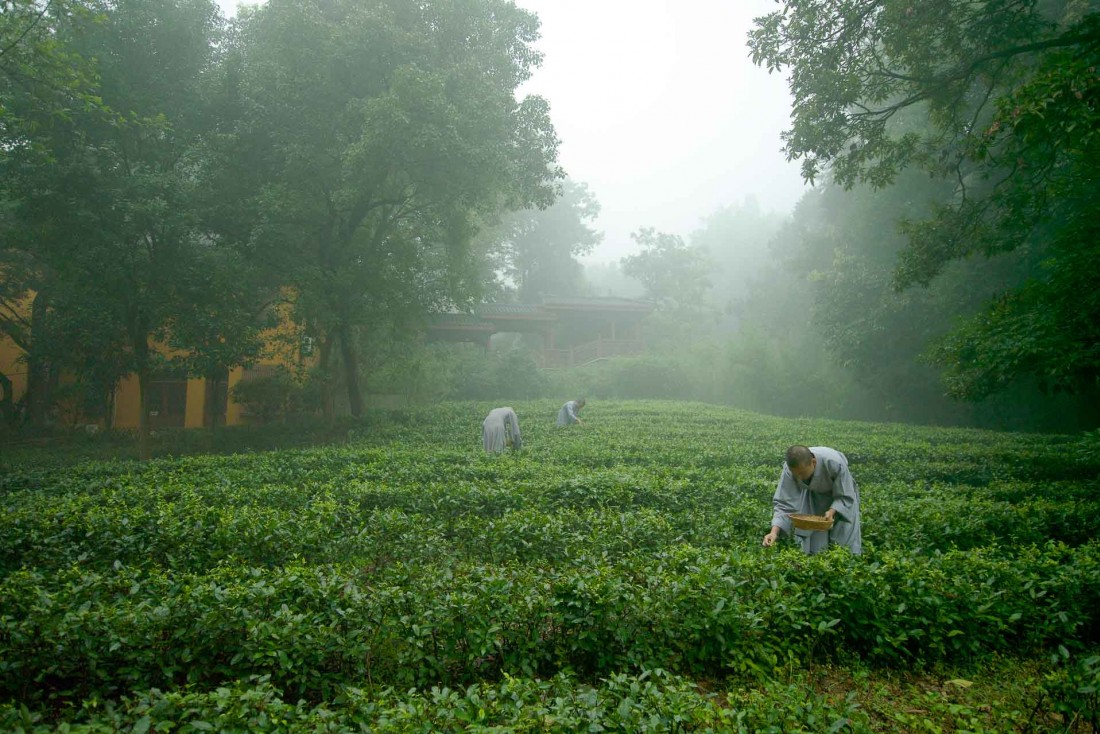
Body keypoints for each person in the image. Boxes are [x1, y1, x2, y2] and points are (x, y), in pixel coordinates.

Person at [762, 445, 862, 555]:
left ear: (813, 462)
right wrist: (773, 532)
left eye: (802, 473)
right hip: (812, 496)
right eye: (796, 475)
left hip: (842, 499)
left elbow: (845, 494)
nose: (799, 478)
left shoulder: (834, 462)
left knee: (844, 543)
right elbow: (784, 503)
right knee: (816, 543)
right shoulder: (789, 469)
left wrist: (832, 511)